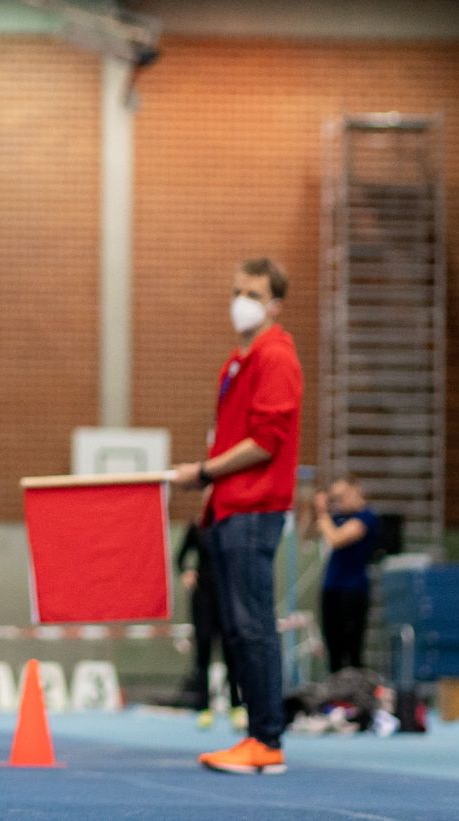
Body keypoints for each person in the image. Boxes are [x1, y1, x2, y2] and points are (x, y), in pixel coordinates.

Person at [172, 257, 303, 776]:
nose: (241, 302)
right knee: (237, 628)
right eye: (236, 291)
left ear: (275, 305)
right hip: (227, 509)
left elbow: (266, 442)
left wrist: (204, 471)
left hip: (253, 508)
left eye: (252, 294)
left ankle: (267, 739)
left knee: (252, 626)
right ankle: (256, 734)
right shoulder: (237, 362)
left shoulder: (276, 358)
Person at [174, 520, 243, 727]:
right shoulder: (196, 527)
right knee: (202, 652)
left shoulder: (230, 524)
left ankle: (236, 705)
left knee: (231, 652)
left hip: (227, 596)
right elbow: (179, 558)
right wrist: (186, 571)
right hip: (203, 598)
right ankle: (203, 707)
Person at [312, 475, 380, 673]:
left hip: (352, 590)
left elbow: (336, 539)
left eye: (343, 496)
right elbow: (308, 533)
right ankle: (335, 688)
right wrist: (315, 507)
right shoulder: (337, 518)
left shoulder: (367, 517)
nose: (339, 502)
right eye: (335, 498)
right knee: (333, 648)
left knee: (352, 649)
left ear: (356, 490)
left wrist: (322, 513)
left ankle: (354, 688)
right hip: (331, 588)